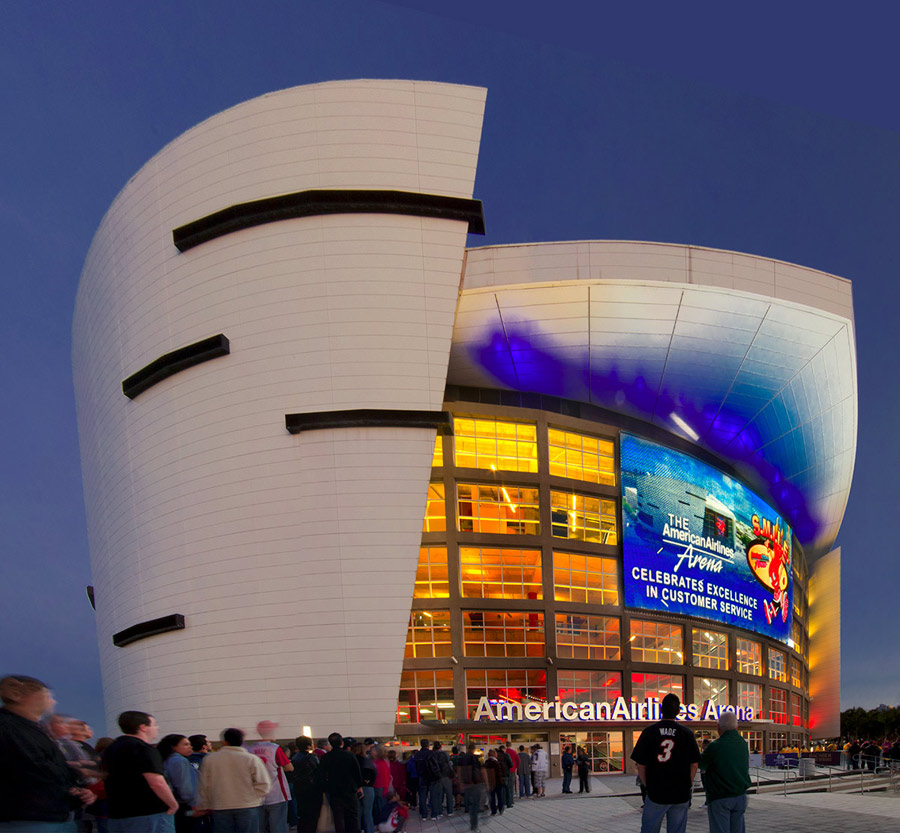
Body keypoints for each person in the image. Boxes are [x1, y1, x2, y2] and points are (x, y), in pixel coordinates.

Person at [0, 674, 96, 830]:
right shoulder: (11, 728)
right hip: (30, 820)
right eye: (47, 696)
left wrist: (77, 791)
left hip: (48, 816)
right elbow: (35, 769)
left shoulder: (31, 729)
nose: (52, 701)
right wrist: (76, 780)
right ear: (22, 696)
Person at [631, 693, 700, 833]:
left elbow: (640, 764)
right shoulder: (686, 733)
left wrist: (646, 785)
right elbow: (694, 764)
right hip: (680, 792)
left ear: (661, 710)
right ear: (679, 711)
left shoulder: (649, 732)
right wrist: (688, 784)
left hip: (657, 791)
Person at [103, 710, 179, 832]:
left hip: (117, 813)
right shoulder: (144, 749)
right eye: (154, 724)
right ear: (143, 727)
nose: (157, 728)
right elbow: (156, 782)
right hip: (149, 813)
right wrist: (173, 804)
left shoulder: (110, 749)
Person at [196, 728, 270, 833]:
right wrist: (255, 798)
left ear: (224, 742)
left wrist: (205, 804)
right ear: (241, 741)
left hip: (220, 806)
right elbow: (264, 783)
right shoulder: (251, 759)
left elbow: (204, 785)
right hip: (248, 805)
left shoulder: (210, 759)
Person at [699, 711, 751, 833]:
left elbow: (700, 763)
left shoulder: (715, 746)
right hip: (740, 796)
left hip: (720, 797)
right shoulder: (743, 743)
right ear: (736, 726)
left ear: (718, 727)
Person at [245, 721, 294, 833]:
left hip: (257, 795)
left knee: (260, 827)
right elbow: (289, 768)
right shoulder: (275, 748)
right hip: (277, 794)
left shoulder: (251, 749)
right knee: (278, 827)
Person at [319, 732, 363, 833]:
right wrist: (359, 786)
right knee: (353, 817)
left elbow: (321, 775)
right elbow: (356, 772)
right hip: (350, 789)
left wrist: (324, 788)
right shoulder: (349, 755)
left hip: (334, 791)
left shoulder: (326, 757)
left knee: (338, 818)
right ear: (341, 743)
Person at [158, 734, 200, 833]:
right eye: (185, 744)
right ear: (174, 747)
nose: (190, 747)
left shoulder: (164, 760)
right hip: (184, 806)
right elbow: (184, 786)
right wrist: (193, 803)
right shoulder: (179, 761)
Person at [290, 737, 323, 833]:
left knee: (303, 815)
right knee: (313, 816)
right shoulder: (312, 757)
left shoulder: (294, 757)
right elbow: (318, 771)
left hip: (299, 788)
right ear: (309, 745)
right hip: (312, 789)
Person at [456, 743, 486, 832]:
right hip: (475, 783)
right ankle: (474, 825)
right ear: (474, 749)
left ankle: (467, 810)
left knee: (468, 801)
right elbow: (482, 770)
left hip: (466, 783)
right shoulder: (476, 758)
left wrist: (461, 782)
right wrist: (486, 783)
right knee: (475, 804)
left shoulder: (462, 758)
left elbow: (458, 770)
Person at [354, 741, 377, 833]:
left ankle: (358, 830)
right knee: (368, 812)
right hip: (368, 787)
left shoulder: (353, 760)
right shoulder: (367, 761)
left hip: (355, 787)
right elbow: (374, 773)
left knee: (358, 812)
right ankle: (369, 830)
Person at [413, 741, 439, 819]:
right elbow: (435, 765)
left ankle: (424, 814)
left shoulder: (417, 754)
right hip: (431, 777)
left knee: (422, 796)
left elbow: (416, 766)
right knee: (433, 796)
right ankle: (434, 814)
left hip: (422, 776)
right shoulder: (431, 753)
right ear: (428, 745)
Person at [432, 741, 454, 817]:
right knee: (449, 794)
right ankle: (450, 811)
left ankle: (439, 811)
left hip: (437, 776)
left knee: (438, 794)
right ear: (440, 747)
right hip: (446, 775)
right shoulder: (445, 754)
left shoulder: (432, 754)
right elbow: (449, 764)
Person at [483, 750, 506, 816]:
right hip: (498, 782)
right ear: (493, 754)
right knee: (499, 796)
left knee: (492, 797)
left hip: (490, 782)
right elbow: (500, 772)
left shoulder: (486, 762)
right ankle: (501, 809)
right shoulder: (497, 762)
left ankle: (493, 811)